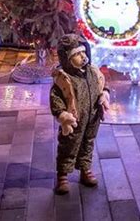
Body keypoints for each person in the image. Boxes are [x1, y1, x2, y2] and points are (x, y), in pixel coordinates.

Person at [50, 33, 110, 195]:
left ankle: (85, 169)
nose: (82, 57)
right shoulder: (64, 78)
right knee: (68, 145)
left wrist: (104, 94)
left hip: (92, 116)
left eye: (83, 52)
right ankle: (62, 175)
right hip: (74, 120)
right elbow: (56, 98)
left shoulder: (92, 71)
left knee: (88, 143)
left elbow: (102, 85)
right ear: (67, 58)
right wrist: (62, 114)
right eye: (76, 54)